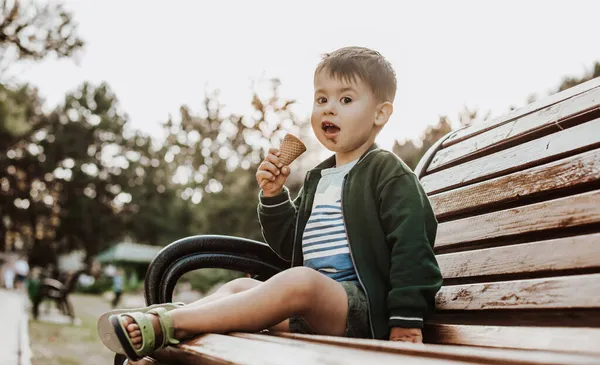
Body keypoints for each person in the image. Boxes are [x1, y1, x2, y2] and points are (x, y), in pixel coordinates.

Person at [99, 46, 442, 361]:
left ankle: (171, 323)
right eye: (321, 99)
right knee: (241, 287)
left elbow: (413, 249)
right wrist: (274, 195)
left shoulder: (387, 172)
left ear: (381, 114)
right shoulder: (319, 178)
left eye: (346, 99)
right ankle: (174, 319)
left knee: (301, 281)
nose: (329, 108)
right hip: (312, 312)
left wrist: (406, 322)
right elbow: (288, 245)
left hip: (366, 313)